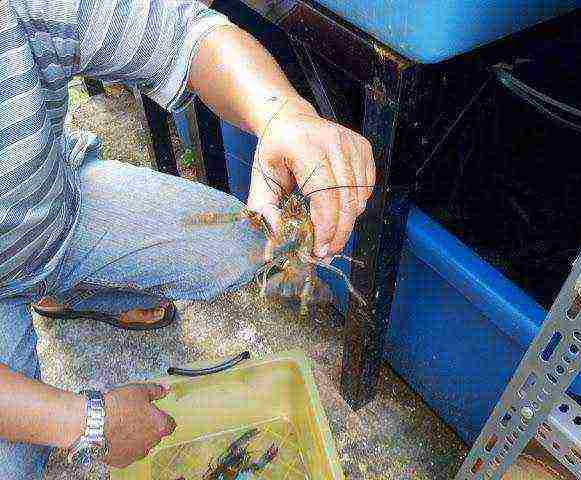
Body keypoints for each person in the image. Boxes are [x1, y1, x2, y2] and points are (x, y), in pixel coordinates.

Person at [0, 0, 375, 477]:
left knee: (243, 241)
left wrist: (284, 114)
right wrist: (87, 422)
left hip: (54, 202)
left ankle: (67, 288)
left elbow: (187, 34)